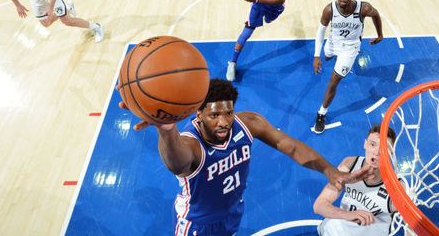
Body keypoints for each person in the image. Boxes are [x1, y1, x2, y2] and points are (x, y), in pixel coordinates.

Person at [122, 78, 370, 236]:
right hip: (198, 225)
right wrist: (166, 132)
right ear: (198, 114)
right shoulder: (191, 143)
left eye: (228, 113)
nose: (224, 122)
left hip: (233, 212)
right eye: (214, 115)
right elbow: (176, 162)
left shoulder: (247, 123)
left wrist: (329, 170)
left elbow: (291, 146)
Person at [312, 0, 383, 134]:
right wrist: (317, 56)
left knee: (333, 81)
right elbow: (320, 33)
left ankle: (321, 114)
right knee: (327, 56)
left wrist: (380, 34)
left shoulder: (363, 8)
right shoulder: (329, 9)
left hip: (350, 48)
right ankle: (330, 57)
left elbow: (376, 14)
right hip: (333, 43)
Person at [314, 125, 397, 236]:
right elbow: (319, 205)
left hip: (373, 232)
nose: (377, 152)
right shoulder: (350, 165)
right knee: (330, 225)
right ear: (365, 144)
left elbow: (409, 226)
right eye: (372, 144)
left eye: (384, 148)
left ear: (391, 153)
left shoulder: (396, 186)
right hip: (340, 227)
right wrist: (346, 215)